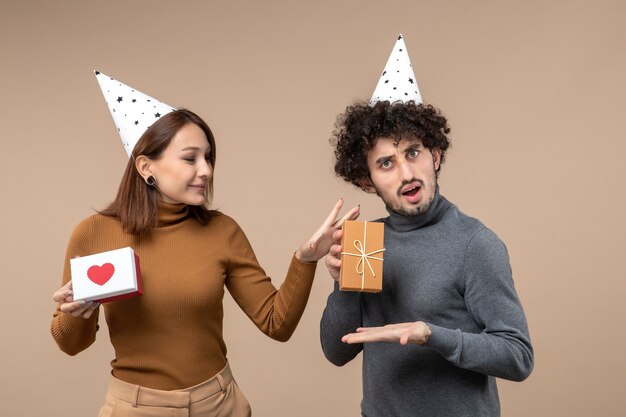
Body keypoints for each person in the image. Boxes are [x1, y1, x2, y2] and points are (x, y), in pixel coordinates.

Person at [51, 107, 358, 417]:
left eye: (208, 157)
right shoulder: (94, 233)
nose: (207, 170)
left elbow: (276, 323)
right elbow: (71, 344)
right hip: (136, 409)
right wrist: (77, 312)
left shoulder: (222, 231)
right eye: (190, 158)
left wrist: (304, 260)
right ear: (146, 167)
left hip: (219, 405)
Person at [320, 36, 533, 417]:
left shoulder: (475, 244)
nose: (405, 173)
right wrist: (343, 286)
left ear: (435, 155)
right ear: (367, 181)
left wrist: (433, 335)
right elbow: (337, 353)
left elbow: (518, 357)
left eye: (413, 153)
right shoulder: (365, 243)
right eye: (386, 163)